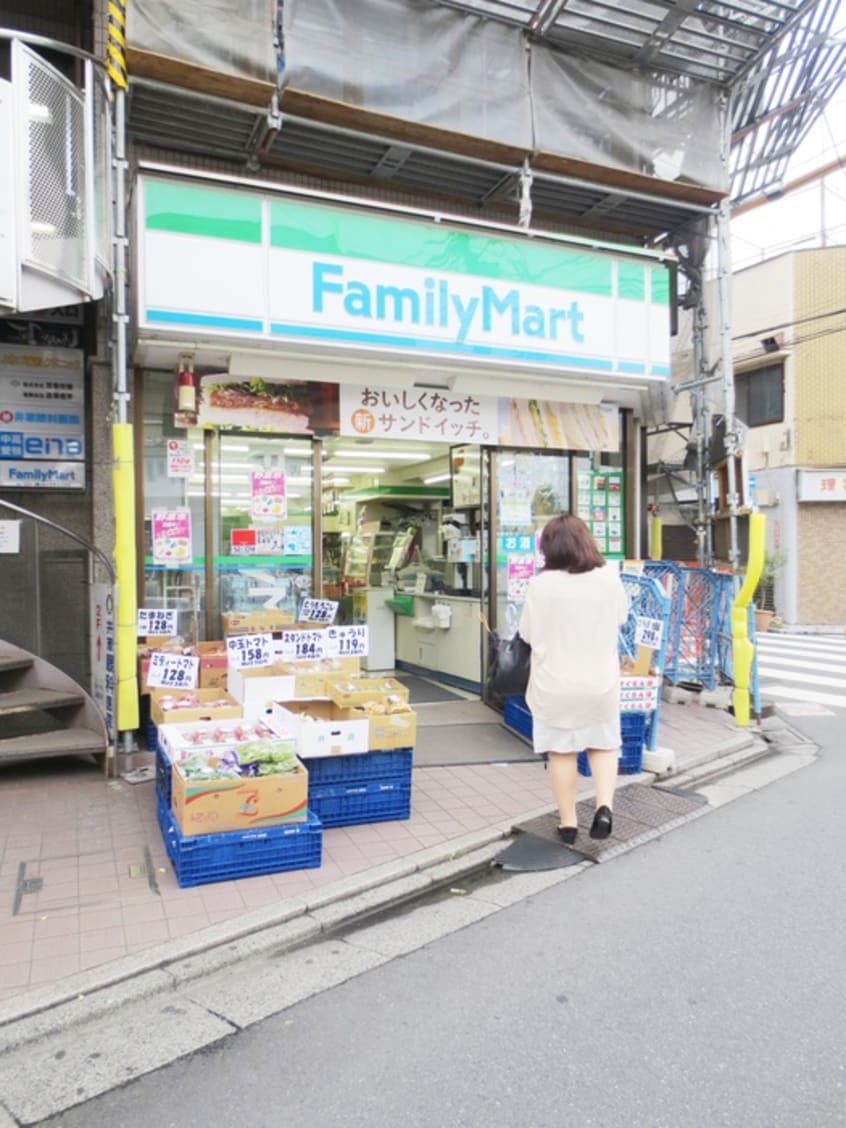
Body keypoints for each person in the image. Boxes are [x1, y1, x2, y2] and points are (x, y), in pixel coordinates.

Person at [518, 514, 629, 844]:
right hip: (600, 684)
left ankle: (568, 824)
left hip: (555, 685)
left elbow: (527, 633)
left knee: (561, 753)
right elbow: (621, 617)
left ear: (549, 548)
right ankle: (604, 807)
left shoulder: (541, 585)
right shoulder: (608, 577)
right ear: (586, 541)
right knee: (603, 745)